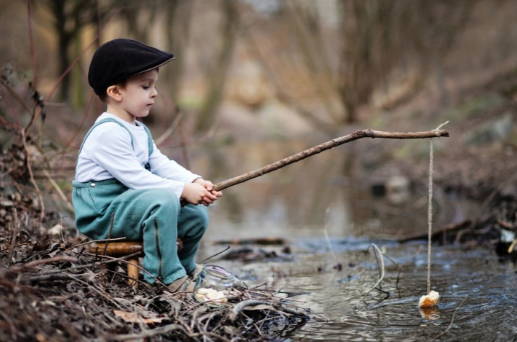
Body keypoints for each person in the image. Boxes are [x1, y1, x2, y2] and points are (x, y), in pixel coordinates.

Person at [72, 38, 222, 292]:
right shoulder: (107, 132)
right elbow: (137, 178)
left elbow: (160, 163)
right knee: (163, 200)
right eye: (145, 86)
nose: (154, 93)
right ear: (115, 92)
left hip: (129, 207)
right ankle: (167, 276)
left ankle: (185, 268)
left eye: (154, 86)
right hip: (103, 215)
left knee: (196, 215)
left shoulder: (138, 129)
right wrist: (182, 190)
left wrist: (194, 181)